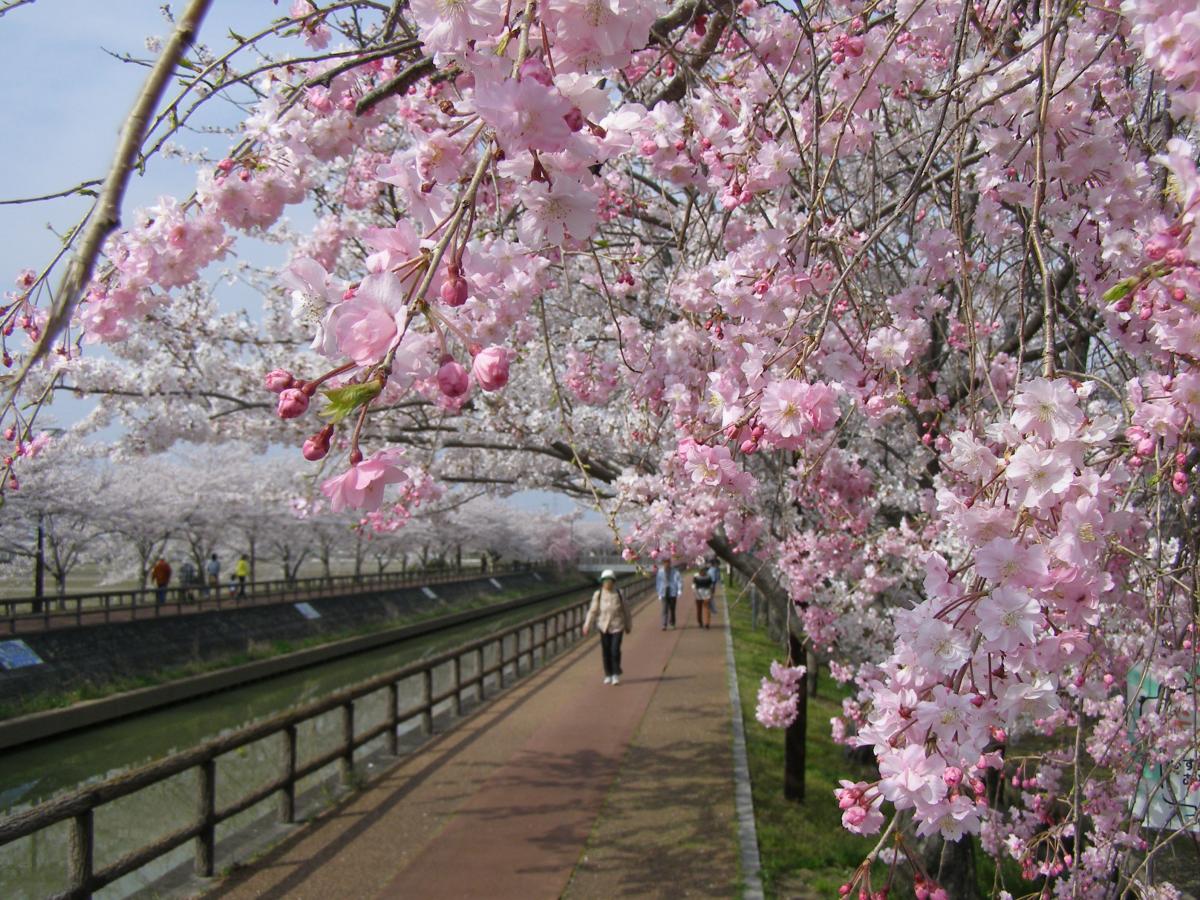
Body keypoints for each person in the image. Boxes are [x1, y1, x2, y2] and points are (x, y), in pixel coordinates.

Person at [582, 570, 632, 685]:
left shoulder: (619, 593)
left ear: (613, 582)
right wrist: (587, 624)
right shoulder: (598, 594)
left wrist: (628, 625)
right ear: (602, 582)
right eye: (605, 581)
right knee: (606, 651)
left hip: (617, 626)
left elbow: (626, 610)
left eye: (609, 581)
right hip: (604, 626)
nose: (607, 584)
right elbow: (593, 611)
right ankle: (608, 674)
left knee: (615, 650)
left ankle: (615, 674)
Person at [656, 561, 682, 630]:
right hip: (663, 591)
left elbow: (679, 581)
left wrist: (679, 589)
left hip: (672, 591)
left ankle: (672, 623)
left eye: (668, 563)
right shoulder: (660, 572)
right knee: (664, 609)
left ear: (670, 564)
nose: (666, 565)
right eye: (665, 563)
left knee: (672, 609)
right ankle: (664, 624)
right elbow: (658, 582)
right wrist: (659, 593)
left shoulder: (675, 571)